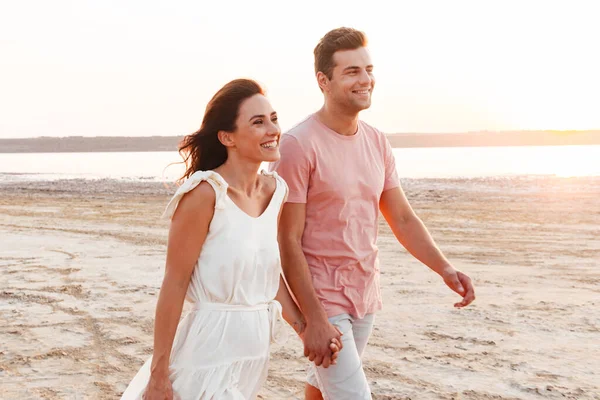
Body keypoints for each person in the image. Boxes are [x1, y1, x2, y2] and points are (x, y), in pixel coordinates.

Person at [269, 27, 476, 400]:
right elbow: (287, 239)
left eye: (368, 69)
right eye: (351, 71)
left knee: (321, 389)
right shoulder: (298, 145)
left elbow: (402, 217)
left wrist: (445, 268)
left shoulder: (377, 141)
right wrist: (312, 319)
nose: (365, 80)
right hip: (322, 297)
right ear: (323, 81)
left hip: (364, 292)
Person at [121, 79, 340, 400]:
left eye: (273, 119)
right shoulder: (206, 193)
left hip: (252, 354)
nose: (273, 130)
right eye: (258, 122)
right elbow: (174, 283)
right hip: (206, 353)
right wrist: (158, 374)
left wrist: (304, 328)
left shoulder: (276, 190)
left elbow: (265, 272)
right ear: (227, 137)